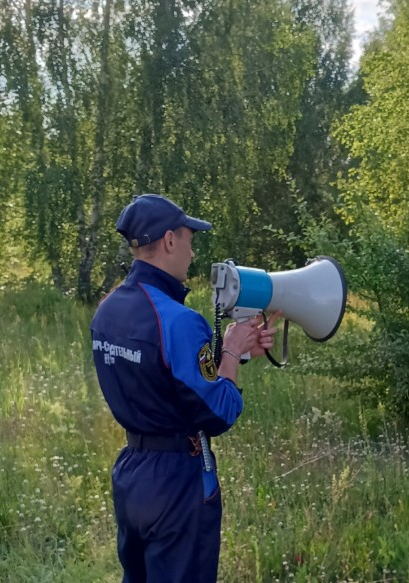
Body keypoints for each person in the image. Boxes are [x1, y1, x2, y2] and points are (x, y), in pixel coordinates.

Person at [90, 194, 278, 583]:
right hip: (178, 483)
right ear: (170, 240)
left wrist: (235, 357)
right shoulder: (179, 320)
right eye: (191, 240)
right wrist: (229, 350)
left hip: (132, 475)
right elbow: (219, 411)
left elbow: (164, 381)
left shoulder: (107, 309)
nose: (193, 253)